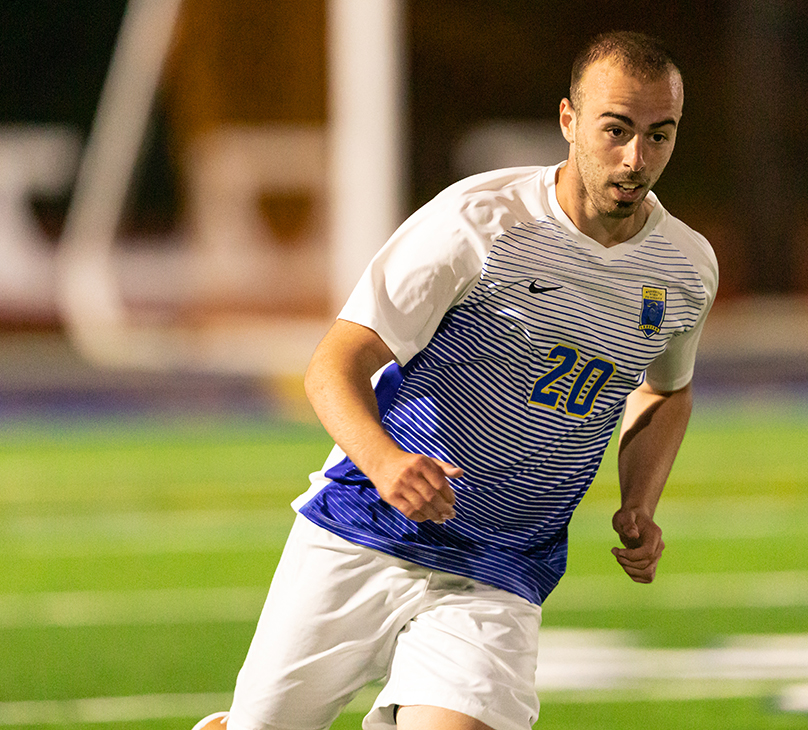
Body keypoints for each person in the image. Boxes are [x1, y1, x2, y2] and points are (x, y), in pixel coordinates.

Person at [196, 29, 718, 730]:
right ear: (569, 121)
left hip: (500, 565)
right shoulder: (480, 222)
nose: (635, 158)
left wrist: (639, 501)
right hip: (366, 529)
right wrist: (385, 464)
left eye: (660, 135)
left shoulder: (685, 269)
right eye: (616, 130)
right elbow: (333, 363)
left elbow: (665, 390)